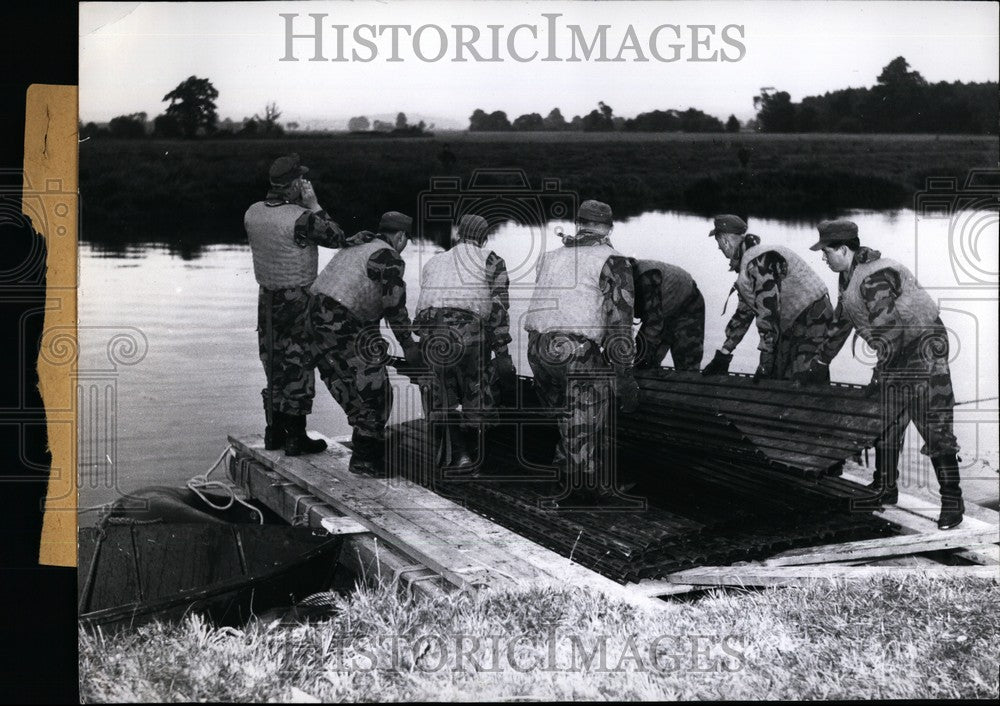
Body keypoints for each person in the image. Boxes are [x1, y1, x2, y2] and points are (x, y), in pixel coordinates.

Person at [799, 219, 964, 529]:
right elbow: (841, 322)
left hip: (922, 346)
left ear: (844, 249)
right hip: (896, 349)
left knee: (933, 423)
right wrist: (818, 363)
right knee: (887, 419)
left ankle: (953, 502)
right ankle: (885, 488)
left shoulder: (874, 278)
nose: (823, 257)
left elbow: (889, 331)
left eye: (826, 252)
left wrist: (879, 372)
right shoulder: (847, 277)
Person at [244, 153, 363, 456]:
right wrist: (314, 203)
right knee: (298, 362)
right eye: (302, 179)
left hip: (267, 298)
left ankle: (274, 433)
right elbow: (336, 237)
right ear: (296, 183)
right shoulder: (302, 218)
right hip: (298, 299)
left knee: (273, 361)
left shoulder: (253, 212)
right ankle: (296, 437)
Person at [524, 199, 640, 506]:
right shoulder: (613, 261)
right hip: (573, 350)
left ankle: (577, 480)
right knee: (588, 415)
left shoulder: (551, 256)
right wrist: (625, 376)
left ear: (580, 224)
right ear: (609, 227)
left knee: (573, 417)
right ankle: (579, 491)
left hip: (537, 348)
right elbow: (619, 326)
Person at [309, 211, 422, 474]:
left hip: (313, 318)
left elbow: (362, 296)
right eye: (406, 241)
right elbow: (394, 306)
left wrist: (375, 343)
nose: (404, 247)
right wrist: (409, 346)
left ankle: (369, 442)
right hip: (339, 321)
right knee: (376, 390)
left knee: (350, 383)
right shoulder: (389, 256)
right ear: (400, 236)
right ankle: (365, 460)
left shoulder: (360, 246)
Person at [414, 214, 516, 471]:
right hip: (467, 331)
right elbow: (499, 308)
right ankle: (470, 455)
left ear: (459, 235)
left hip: (431, 331)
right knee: (476, 388)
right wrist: (502, 351)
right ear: (483, 238)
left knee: (442, 393)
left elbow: (426, 297)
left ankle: (455, 452)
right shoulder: (491, 259)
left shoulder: (435, 260)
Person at [702, 214, 834, 382]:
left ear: (725, 240)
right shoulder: (749, 262)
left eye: (718, 243)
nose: (719, 248)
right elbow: (746, 311)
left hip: (813, 317)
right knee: (779, 377)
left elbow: (768, 312)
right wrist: (724, 354)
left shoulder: (757, 261)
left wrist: (765, 362)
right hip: (797, 319)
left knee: (802, 379)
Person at [631, 259, 705, 371]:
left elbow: (654, 323)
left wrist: (643, 355)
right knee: (645, 361)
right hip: (662, 310)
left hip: (687, 306)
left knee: (687, 367)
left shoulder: (647, 278)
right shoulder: (616, 279)